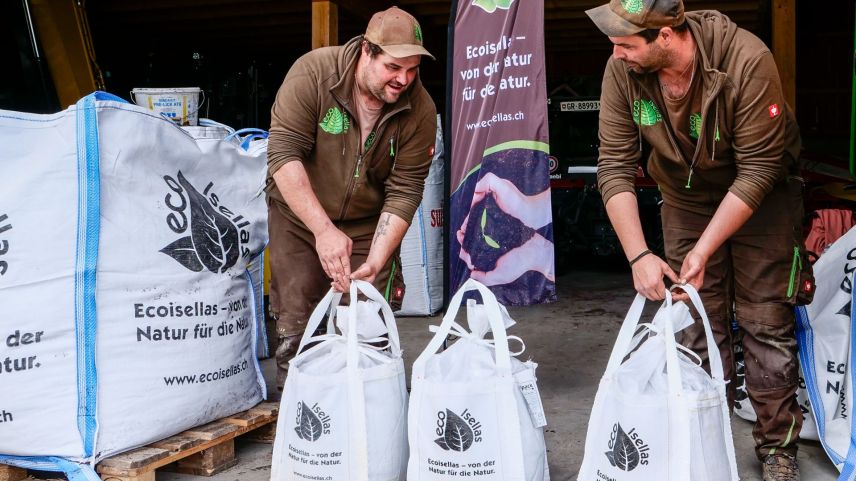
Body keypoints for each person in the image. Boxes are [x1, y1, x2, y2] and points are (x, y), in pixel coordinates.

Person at [586, 1, 812, 480]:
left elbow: (758, 171)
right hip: (685, 194)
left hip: (762, 195)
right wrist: (638, 254)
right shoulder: (621, 71)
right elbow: (614, 167)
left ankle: (778, 448)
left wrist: (704, 250)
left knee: (765, 318)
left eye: (627, 43)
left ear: (666, 35)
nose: (617, 53)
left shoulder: (746, 60)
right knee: (694, 320)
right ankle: (703, 436)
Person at [266, 6, 437, 387]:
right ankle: (301, 423)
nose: (404, 80)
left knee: (369, 325)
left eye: (412, 70)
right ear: (366, 51)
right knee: (299, 321)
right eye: (394, 67)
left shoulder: (420, 109)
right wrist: (323, 231)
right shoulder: (313, 75)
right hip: (300, 216)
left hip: (368, 222)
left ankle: (370, 417)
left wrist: (377, 260)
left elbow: (406, 188)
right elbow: (282, 155)